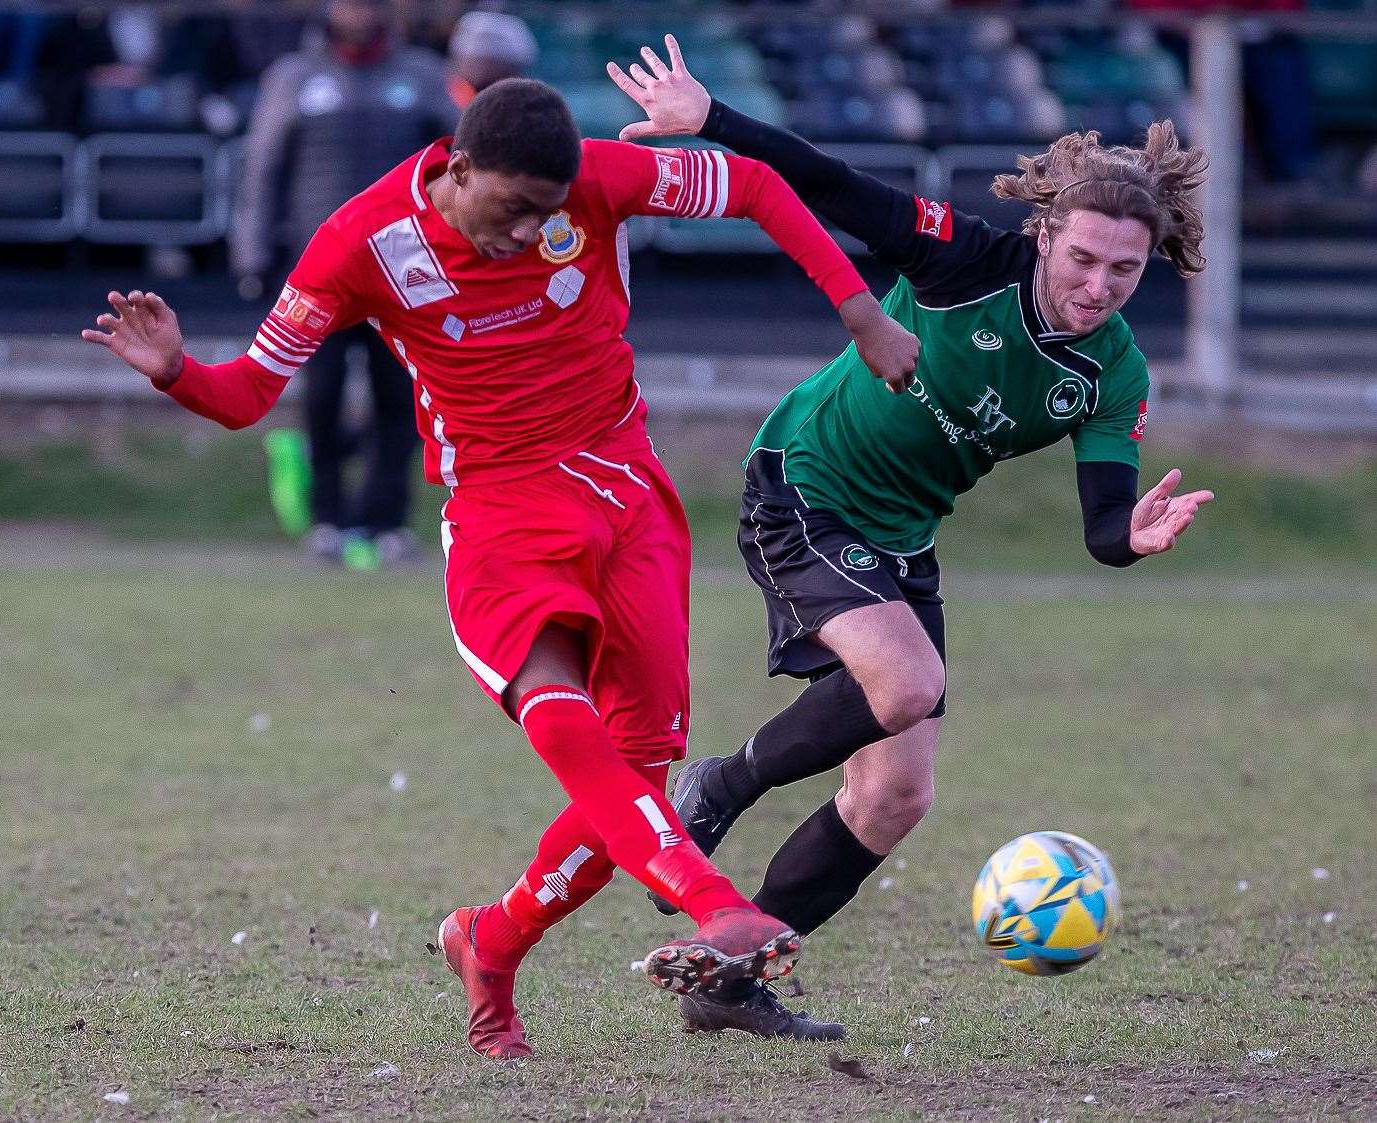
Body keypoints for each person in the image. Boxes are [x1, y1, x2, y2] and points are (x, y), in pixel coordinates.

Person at [81, 78, 922, 1058]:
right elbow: (247, 393)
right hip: (500, 508)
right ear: (459, 167)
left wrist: (860, 312)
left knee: (639, 769)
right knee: (561, 714)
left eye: (548, 214)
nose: (529, 233)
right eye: (511, 209)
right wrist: (178, 369)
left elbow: (756, 188)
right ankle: (713, 901)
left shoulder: (596, 180)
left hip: (626, 487)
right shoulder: (359, 244)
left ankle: (492, 938)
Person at [609, 36, 1215, 1039]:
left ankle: (727, 978)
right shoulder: (963, 261)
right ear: (1044, 237)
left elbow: (1103, 526)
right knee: (903, 685)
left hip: (898, 536)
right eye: (1082, 260)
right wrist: (710, 119)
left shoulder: (1114, 375)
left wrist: (1135, 536)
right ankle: (719, 783)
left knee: (894, 791)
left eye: (1124, 269)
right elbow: (832, 183)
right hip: (803, 482)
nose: (1100, 285)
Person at [232, 0, 459, 565]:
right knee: (322, 399)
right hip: (320, 277)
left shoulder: (423, 76)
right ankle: (327, 520)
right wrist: (252, 252)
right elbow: (261, 170)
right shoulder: (294, 78)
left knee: (400, 401)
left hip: (406, 271)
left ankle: (385, 523)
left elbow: (463, 167)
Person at [446, 9, 538, 109]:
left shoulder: (526, 110)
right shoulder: (440, 99)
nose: (484, 69)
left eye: (496, 64)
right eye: (478, 61)